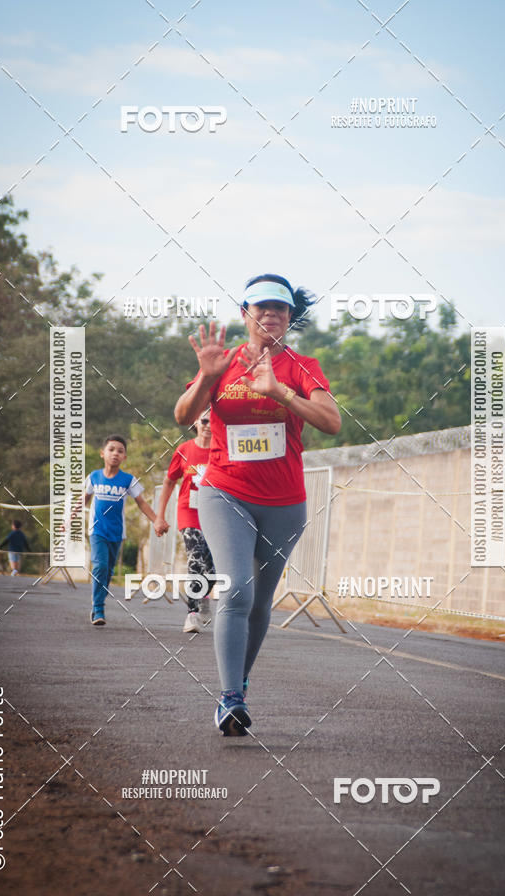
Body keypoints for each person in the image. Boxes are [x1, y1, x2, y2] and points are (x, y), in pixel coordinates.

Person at [174, 274, 341, 735]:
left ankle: (239, 684)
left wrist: (280, 392)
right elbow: (184, 416)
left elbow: (331, 421)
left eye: (280, 308)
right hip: (225, 491)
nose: (271, 314)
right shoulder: (221, 363)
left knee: (262, 603)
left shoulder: (302, 366)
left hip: (285, 502)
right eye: (261, 307)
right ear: (245, 313)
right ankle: (229, 700)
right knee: (237, 590)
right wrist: (207, 377)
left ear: (290, 317)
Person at [83, 434, 166, 625]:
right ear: (102, 453)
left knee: (109, 570)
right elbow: (84, 499)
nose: (115, 454)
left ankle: (99, 601)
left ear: (124, 457)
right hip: (97, 531)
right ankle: (98, 609)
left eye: (120, 451)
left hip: (117, 534)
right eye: (111, 450)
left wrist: (157, 521)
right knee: (100, 566)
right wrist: (68, 519)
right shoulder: (93, 477)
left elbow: (142, 503)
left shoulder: (128, 480)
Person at [154, 411, 216, 634]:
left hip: (216, 514)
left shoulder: (223, 450)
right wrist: (160, 516)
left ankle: (204, 594)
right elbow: (170, 482)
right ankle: (192, 614)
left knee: (214, 569)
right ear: (195, 423)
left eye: (213, 421)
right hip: (189, 512)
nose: (209, 425)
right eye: (204, 421)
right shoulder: (184, 450)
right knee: (196, 559)